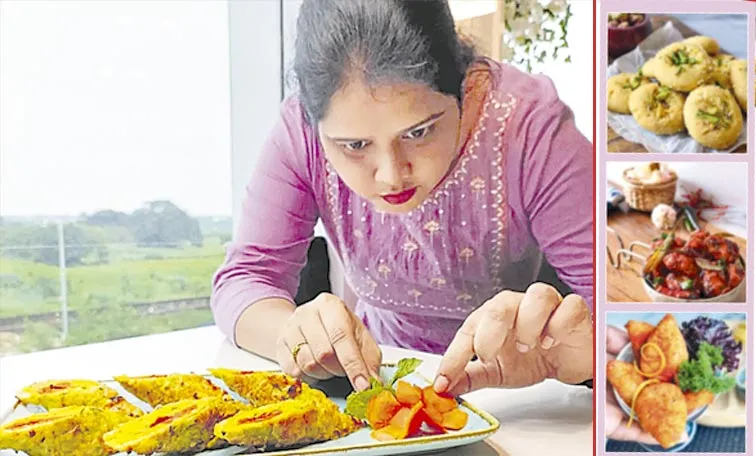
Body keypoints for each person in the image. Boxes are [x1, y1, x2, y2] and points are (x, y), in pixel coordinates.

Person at [211, 0, 593, 396]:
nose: (391, 175)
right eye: (354, 145)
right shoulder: (301, 132)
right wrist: (291, 332)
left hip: (528, 398)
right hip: (379, 389)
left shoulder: (530, 128)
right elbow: (246, 278)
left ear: (466, 86)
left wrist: (584, 355)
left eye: (419, 132)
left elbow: (625, 307)